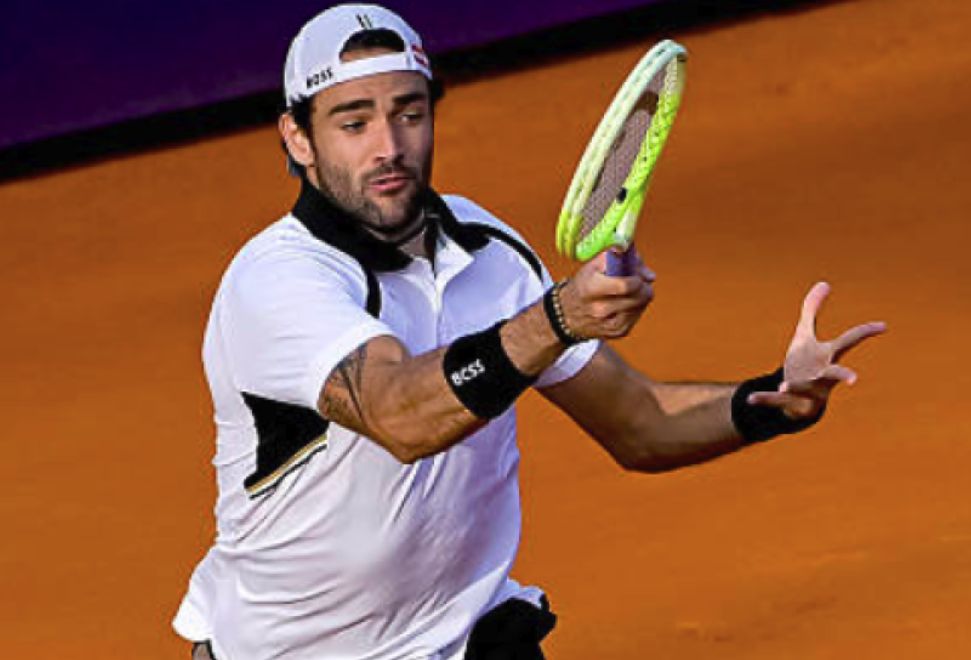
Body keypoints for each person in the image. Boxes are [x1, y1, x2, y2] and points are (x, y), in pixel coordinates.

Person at [173, 4, 886, 659]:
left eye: (409, 114)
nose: (389, 146)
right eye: (354, 122)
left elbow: (638, 423)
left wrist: (770, 402)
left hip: (468, 639)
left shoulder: (490, 251)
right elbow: (398, 414)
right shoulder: (279, 282)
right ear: (298, 137)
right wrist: (556, 319)